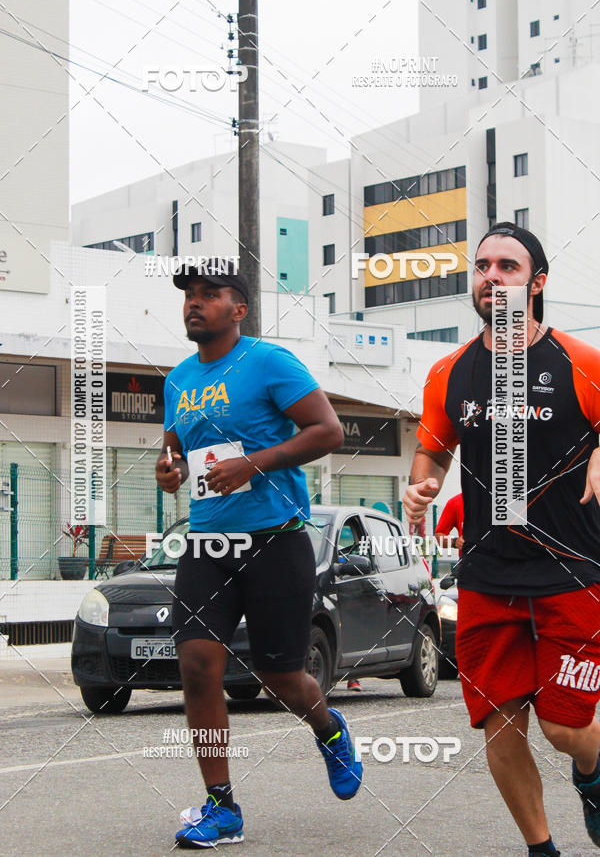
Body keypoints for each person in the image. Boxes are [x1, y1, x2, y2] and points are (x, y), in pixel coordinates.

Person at [402, 222, 600, 857]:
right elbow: (430, 454)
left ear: (536, 284)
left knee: (566, 728)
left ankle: (593, 776)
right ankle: (542, 850)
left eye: (507, 266)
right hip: (488, 576)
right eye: (482, 265)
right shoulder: (449, 373)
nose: (490, 276)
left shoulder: (583, 363)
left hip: (572, 572)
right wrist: (421, 486)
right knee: (500, 723)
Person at [155, 260, 363, 848]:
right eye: (190, 295)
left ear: (239, 309)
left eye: (210, 294)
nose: (195, 303)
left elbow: (328, 431)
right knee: (197, 665)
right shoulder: (177, 380)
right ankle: (221, 807)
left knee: (280, 678)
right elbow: (173, 452)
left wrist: (254, 462)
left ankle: (328, 728)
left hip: (275, 539)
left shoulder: (269, 362)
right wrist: (167, 473)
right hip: (208, 542)